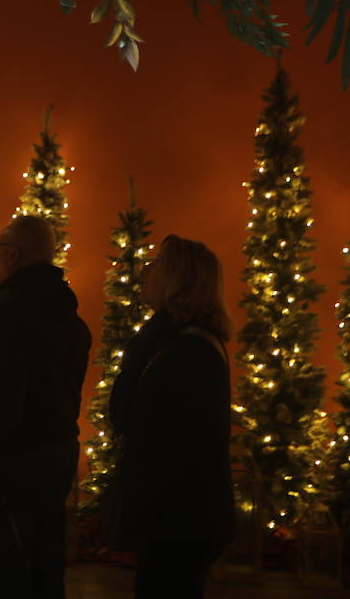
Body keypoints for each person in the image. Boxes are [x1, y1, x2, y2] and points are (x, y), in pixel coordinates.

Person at [0, 214, 92, 599]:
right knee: (45, 569)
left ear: (13, 255)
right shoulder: (70, 317)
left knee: (3, 573)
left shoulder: (4, 316)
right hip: (58, 457)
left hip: (12, 468)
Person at [108, 235, 235, 599]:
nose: (147, 269)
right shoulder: (176, 344)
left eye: (159, 261)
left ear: (179, 279)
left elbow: (135, 420)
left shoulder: (186, 351)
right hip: (177, 520)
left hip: (178, 523)